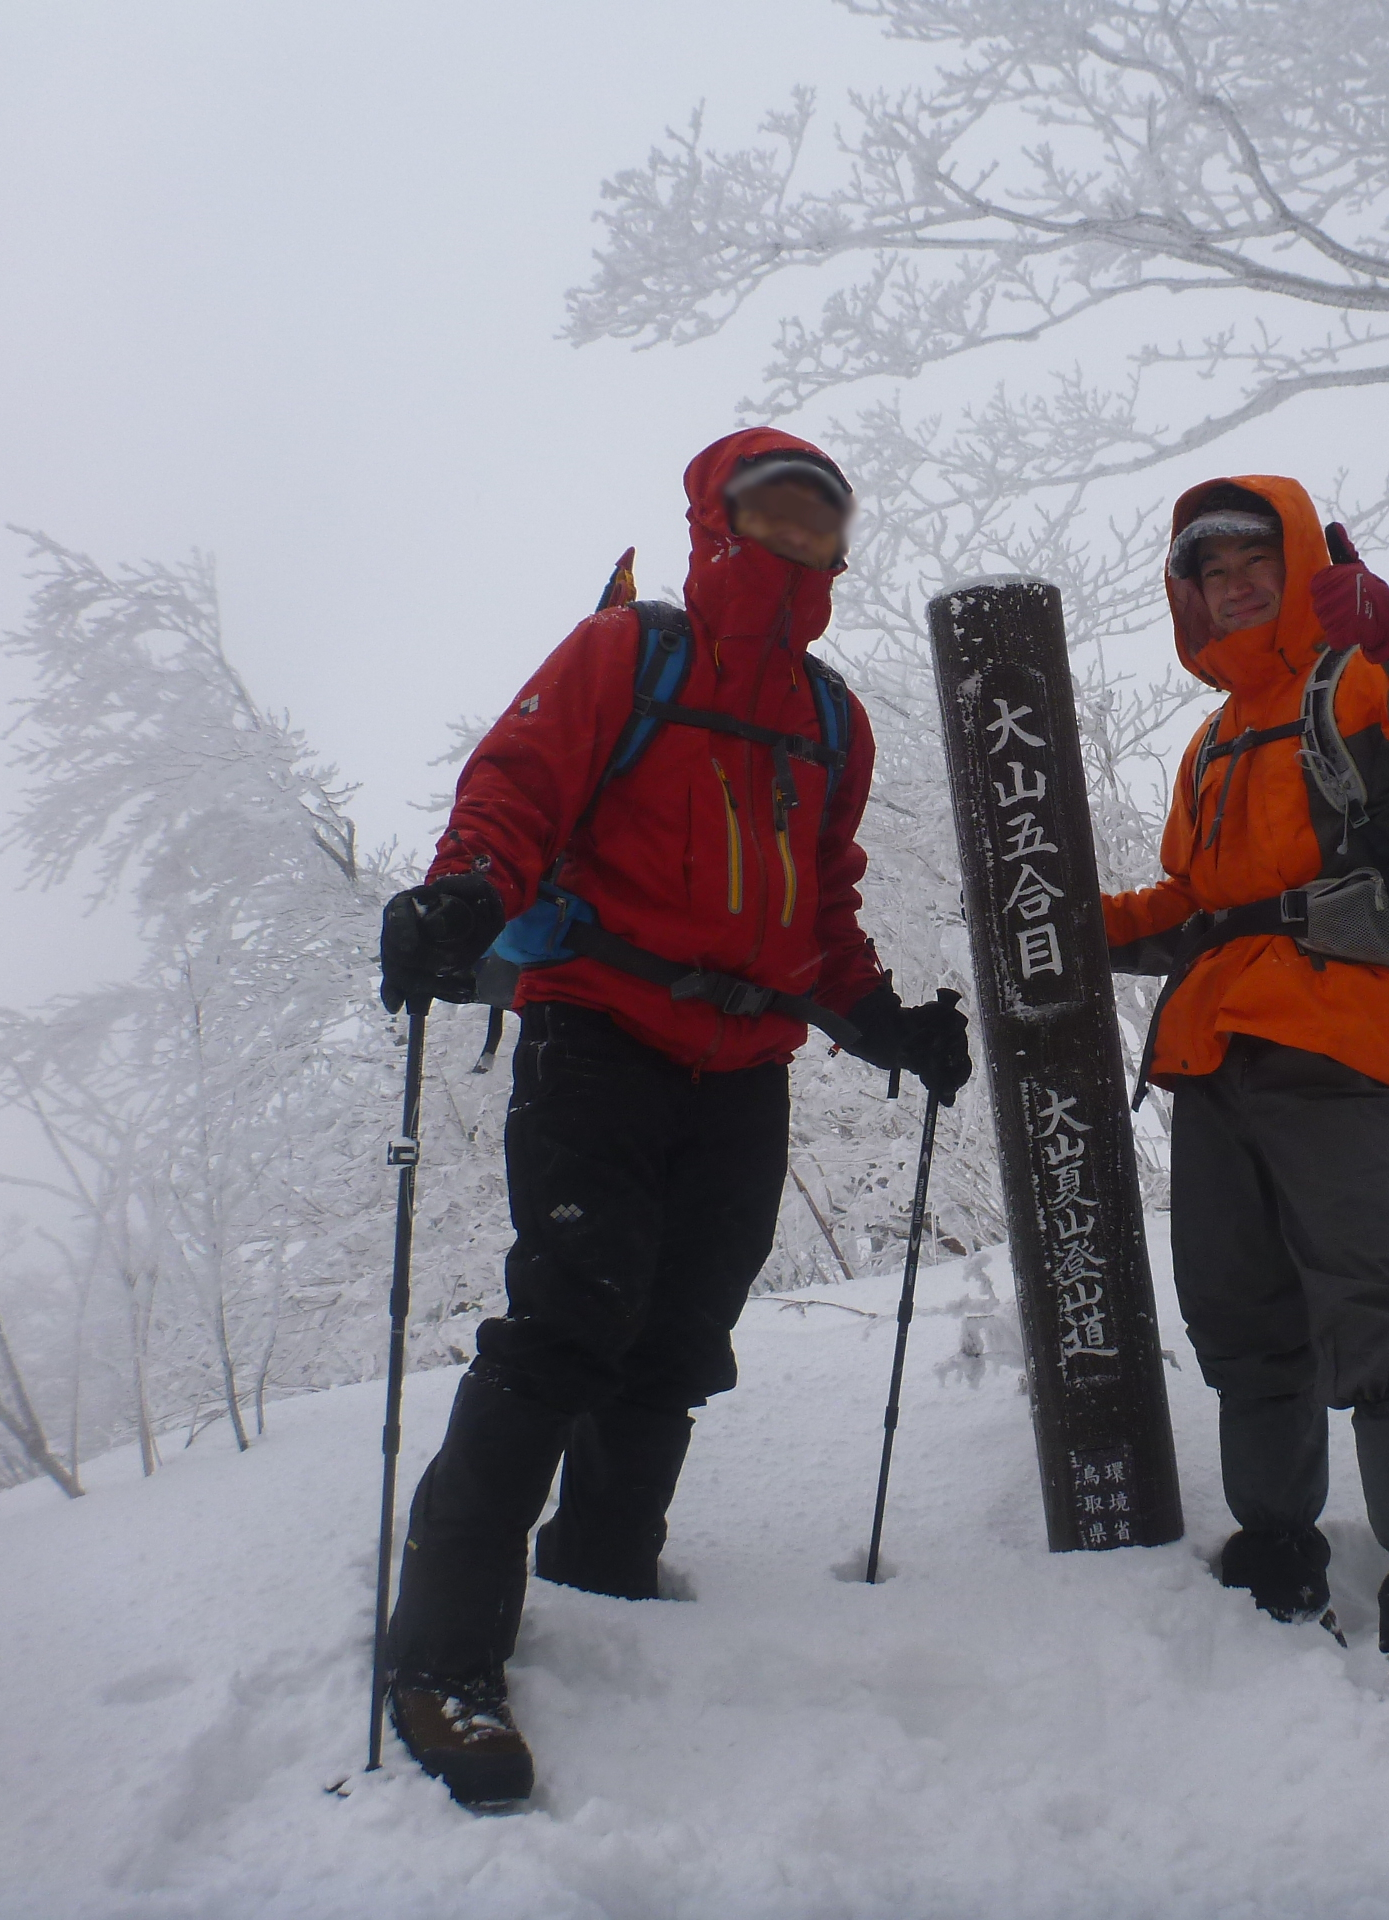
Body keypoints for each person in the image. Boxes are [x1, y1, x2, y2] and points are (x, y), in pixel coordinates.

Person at [373, 428, 971, 1806]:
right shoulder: (629, 653)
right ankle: (442, 1654)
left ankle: (605, 1580)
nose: (792, 539)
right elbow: (516, 788)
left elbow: (819, 907)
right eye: (771, 512)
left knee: (683, 1330)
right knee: (572, 1314)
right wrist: (465, 887)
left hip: (742, 1067)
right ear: (716, 517)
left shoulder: (833, 717)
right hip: (599, 1033)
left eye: (820, 523)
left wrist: (880, 1020)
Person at [1102, 476, 1389, 1720]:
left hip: (1341, 1039)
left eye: (1253, 558)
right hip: (1214, 1052)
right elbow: (1196, 904)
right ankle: (1276, 1547)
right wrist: (1078, 923)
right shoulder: (1211, 737)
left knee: (1374, 1316)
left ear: (1297, 560)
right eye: (1208, 569)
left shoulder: (1363, 670)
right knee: (1243, 1323)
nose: (1234, 582)